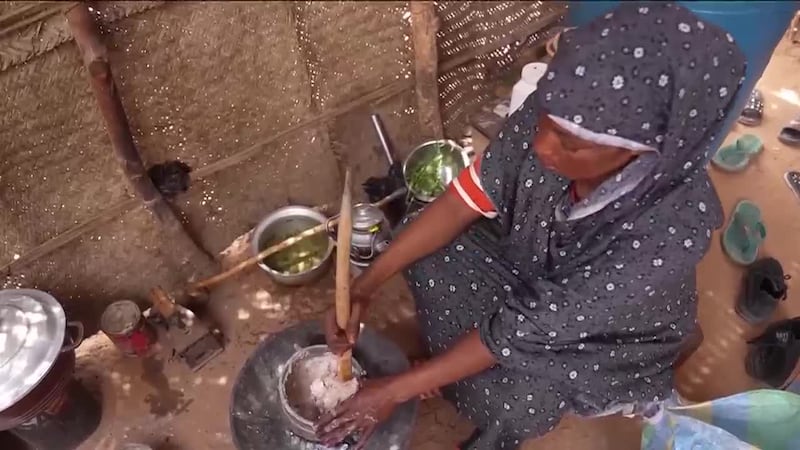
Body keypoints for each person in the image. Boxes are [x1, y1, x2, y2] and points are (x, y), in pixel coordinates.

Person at [318, 3, 747, 449]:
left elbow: (515, 330)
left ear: (639, 152)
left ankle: (478, 403)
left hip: (601, 337)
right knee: (420, 239)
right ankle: (443, 367)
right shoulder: (563, 112)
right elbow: (463, 201)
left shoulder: (665, 238)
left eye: (570, 144)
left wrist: (394, 391)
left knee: (514, 402)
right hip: (531, 269)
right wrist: (366, 286)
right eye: (544, 119)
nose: (541, 146)